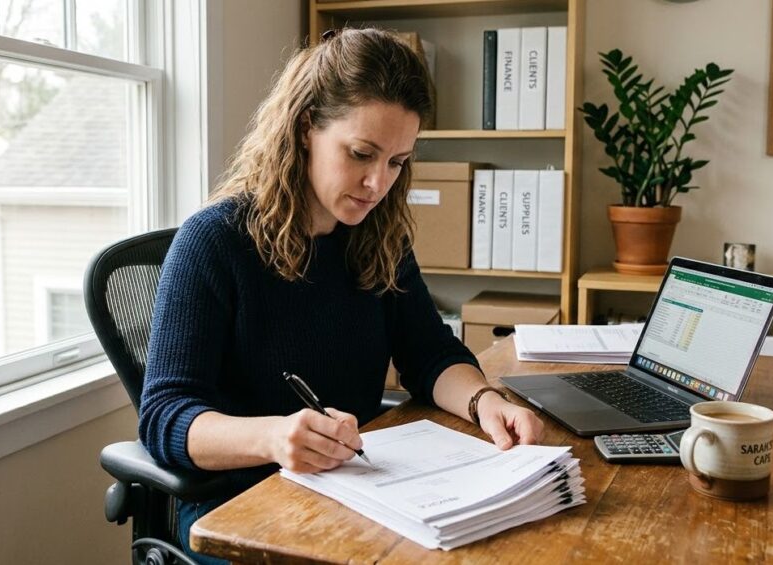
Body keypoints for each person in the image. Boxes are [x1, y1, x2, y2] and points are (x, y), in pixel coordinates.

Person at [139, 27, 545, 564]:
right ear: (307, 127)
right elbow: (165, 415)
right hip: (243, 510)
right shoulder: (215, 243)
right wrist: (275, 438)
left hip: (356, 492)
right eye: (361, 154)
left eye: (398, 162)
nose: (378, 184)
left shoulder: (378, 236)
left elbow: (429, 352)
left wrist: (484, 401)